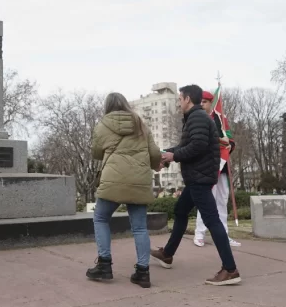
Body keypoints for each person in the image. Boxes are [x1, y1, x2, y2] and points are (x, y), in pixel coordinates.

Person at [151, 85, 241, 286]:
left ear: (188, 99)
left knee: (212, 221)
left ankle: (230, 269)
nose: (179, 102)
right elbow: (186, 147)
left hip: (200, 178)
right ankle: (167, 254)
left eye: (180, 98)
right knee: (181, 211)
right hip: (196, 178)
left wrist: (174, 155)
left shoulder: (198, 117)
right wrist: (166, 155)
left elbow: (197, 146)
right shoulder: (194, 118)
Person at [86, 92, 163, 288]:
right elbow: (154, 153)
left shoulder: (103, 125)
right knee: (139, 227)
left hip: (113, 180)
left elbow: (96, 153)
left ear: (107, 106)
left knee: (101, 218)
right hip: (138, 181)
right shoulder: (140, 124)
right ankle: (143, 272)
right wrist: (156, 165)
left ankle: (104, 265)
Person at [194, 90, 241, 248]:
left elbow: (230, 139)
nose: (202, 104)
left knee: (222, 201)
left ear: (211, 103)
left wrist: (230, 144)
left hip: (222, 165)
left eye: (205, 102)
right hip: (207, 166)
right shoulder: (196, 118)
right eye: (200, 102)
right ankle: (199, 233)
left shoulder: (221, 119)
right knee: (206, 201)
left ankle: (223, 235)